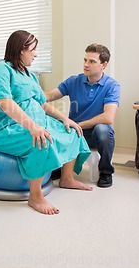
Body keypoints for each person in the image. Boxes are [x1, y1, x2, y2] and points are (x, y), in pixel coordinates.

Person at [0, 30, 92, 215]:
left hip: (36, 121)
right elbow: (5, 103)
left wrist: (66, 119)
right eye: (33, 49)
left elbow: (42, 104)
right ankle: (35, 196)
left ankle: (66, 178)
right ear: (20, 50)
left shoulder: (29, 75)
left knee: (72, 131)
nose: (36, 54)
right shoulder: (1, 69)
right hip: (3, 127)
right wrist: (32, 127)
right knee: (41, 140)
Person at [45, 43, 120, 188]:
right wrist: (30, 92)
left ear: (104, 65)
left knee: (103, 129)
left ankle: (105, 172)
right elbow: (49, 95)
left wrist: (78, 125)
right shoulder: (74, 81)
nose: (86, 65)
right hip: (72, 134)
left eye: (92, 61)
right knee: (52, 122)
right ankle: (59, 168)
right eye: (85, 60)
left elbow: (108, 117)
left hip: (93, 135)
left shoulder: (112, 86)